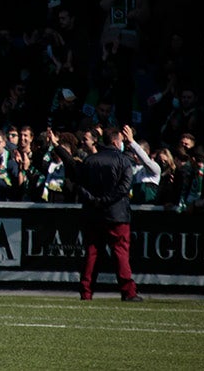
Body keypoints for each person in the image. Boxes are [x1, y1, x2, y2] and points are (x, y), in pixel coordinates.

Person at [50, 127, 142, 301]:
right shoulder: (123, 160)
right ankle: (128, 292)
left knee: (92, 254)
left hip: (93, 214)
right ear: (116, 142)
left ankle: (86, 292)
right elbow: (125, 187)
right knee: (121, 254)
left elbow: (79, 184)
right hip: (117, 215)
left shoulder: (90, 161)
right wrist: (107, 200)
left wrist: (94, 200)